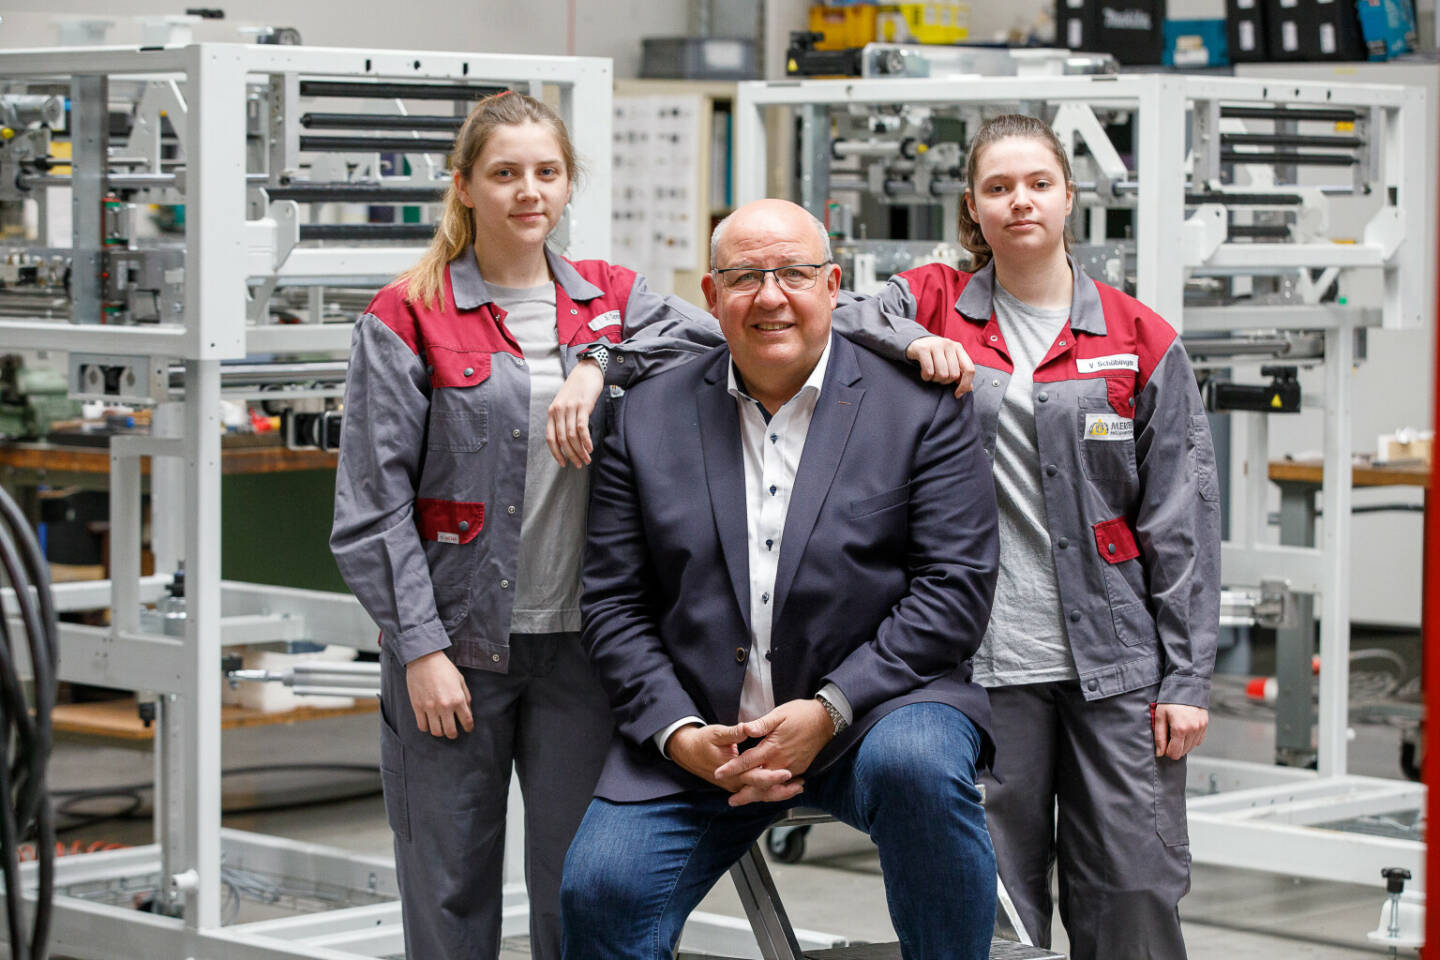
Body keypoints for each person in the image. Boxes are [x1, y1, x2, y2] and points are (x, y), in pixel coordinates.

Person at [330, 94, 970, 960]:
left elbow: (765, 316)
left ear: (568, 186)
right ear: (464, 186)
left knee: (571, 886)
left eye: (546, 173)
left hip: (577, 651)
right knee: (447, 890)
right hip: (456, 647)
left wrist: (907, 341)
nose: (528, 192)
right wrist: (418, 648)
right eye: (504, 173)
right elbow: (370, 508)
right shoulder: (404, 317)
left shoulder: (614, 300)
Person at [560, 198, 1002, 960]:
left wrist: (829, 710)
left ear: (834, 285)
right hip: (707, 730)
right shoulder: (645, 417)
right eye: (745, 276)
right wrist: (680, 735)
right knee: (599, 888)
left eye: (794, 273)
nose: (770, 295)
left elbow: (954, 590)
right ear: (710, 295)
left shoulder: (921, 409)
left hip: (876, 714)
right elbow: (613, 604)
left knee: (920, 769)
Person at [837, 113, 1222, 958]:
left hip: (1115, 664)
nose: (1020, 203)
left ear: (1068, 197)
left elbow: (1182, 522)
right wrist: (917, 340)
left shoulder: (1137, 338)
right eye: (999, 188)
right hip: (979, 661)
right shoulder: (935, 299)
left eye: (1038, 184)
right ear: (971, 208)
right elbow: (833, 309)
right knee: (994, 902)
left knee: (1134, 889)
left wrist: (1188, 679)